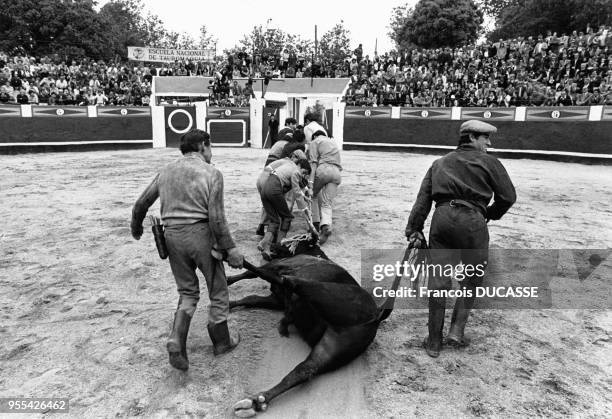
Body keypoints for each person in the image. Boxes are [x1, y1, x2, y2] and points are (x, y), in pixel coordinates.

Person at [130, 129, 244, 371]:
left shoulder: (166, 171)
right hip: (201, 235)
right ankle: (222, 341)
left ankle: (177, 339)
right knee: (218, 288)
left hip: (172, 237)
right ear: (203, 145)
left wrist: (136, 227)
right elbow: (217, 219)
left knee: (188, 292)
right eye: (210, 147)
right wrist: (230, 249)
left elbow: (141, 204)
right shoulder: (212, 173)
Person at [405, 120, 516, 358]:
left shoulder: (439, 163)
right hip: (473, 222)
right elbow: (508, 197)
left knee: (439, 281)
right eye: (485, 138)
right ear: (472, 138)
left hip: (442, 219)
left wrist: (414, 230)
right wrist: (490, 213)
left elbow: (422, 201)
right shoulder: (490, 163)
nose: (489, 143)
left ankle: (434, 341)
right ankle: (456, 332)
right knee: (472, 278)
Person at [258, 155, 313, 259]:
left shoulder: (289, 166)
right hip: (274, 190)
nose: (303, 175)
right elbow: (296, 192)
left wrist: (305, 194)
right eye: (304, 172)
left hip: (265, 190)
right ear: (301, 166)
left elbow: (298, 186)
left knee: (274, 220)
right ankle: (279, 246)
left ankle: (265, 245)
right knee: (287, 217)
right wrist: (305, 209)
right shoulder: (296, 171)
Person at [308, 130, 342, 244]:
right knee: (327, 203)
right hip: (336, 173)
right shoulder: (333, 143)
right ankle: (326, 225)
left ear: (314, 136)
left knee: (312, 195)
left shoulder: (314, 142)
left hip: (323, 170)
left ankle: (315, 223)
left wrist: (311, 183)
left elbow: (313, 164)